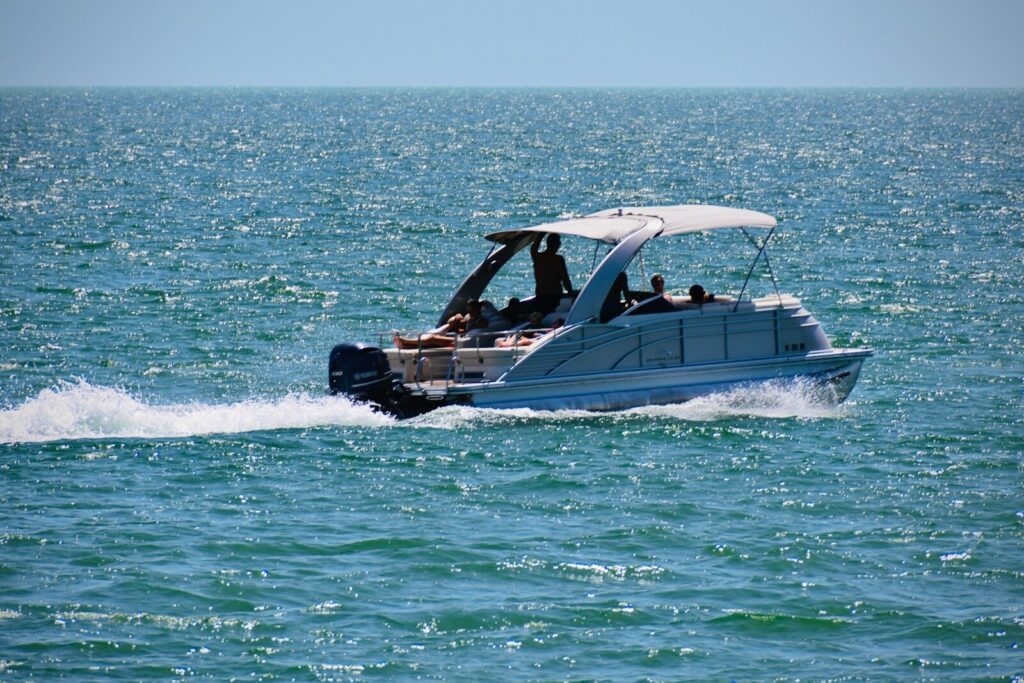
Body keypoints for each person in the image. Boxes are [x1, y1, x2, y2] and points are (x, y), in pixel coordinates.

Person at [530, 233, 572, 314]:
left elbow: (533, 249)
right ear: (557, 244)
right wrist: (570, 293)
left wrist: (541, 236)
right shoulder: (558, 260)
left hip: (540, 296)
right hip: (555, 297)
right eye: (559, 242)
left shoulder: (538, 257)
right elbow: (565, 279)